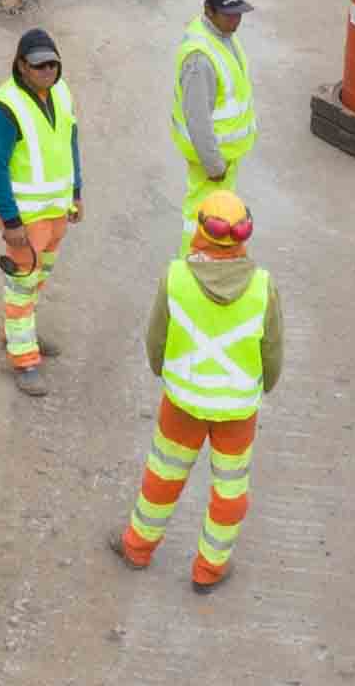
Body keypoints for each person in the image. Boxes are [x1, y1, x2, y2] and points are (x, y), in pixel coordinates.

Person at [116, 187, 285, 590]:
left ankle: (138, 547)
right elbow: (272, 349)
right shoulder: (262, 286)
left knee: (164, 473)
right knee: (230, 487)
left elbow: (156, 339)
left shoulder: (176, 276)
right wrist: (264, 386)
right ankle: (209, 570)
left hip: (183, 403)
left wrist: (164, 372)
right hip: (237, 411)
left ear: (200, 232)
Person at [0, 27, 81, 389]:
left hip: (55, 212)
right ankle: (23, 360)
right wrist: (10, 222)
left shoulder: (61, 93)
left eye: (53, 64)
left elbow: (70, 141)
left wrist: (76, 192)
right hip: (25, 218)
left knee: (38, 279)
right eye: (38, 66)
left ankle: (21, 333)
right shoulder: (5, 109)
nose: (47, 71)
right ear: (21, 66)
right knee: (22, 284)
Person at [169, 0, 255, 191]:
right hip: (212, 161)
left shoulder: (222, 33)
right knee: (205, 216)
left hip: (225, 154)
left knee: (221, 215)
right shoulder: (200, 59)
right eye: (228, 15)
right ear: (209, 10)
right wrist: (214, 166)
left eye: (238, 14)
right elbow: (197, 118)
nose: (236, 20)